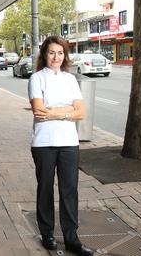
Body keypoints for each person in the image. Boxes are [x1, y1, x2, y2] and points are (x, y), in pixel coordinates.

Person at [28, 36, 92, 256]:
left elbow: (81, 113)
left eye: (60, 53)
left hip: (69, 143)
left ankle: (72, 238)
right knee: (45, 189)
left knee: (69, 191)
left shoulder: (70, 80)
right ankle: (47, 233)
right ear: (45, 54)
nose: (56, 57)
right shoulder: (37, 78)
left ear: (65, 55)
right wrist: (68, 112)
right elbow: (39, 111)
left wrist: (55, 111)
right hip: (44, 143)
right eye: (52, 52)